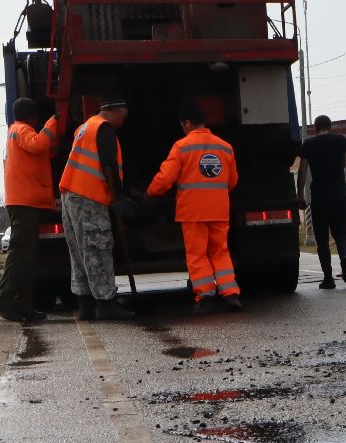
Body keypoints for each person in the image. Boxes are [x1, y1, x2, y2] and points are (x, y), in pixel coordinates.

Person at [147, 102, 241, 314]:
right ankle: (231, 294)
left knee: (197, 254)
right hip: (219, 210)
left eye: (183, 124)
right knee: (220, 251)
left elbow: (165, 179)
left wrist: (149, 194)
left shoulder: (182, 147)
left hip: (193, 212)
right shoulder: (224, 147)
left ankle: (205, 297)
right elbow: (232, 181)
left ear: (188, 123)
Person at [58, 98, 138, 321]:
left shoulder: (84, 128)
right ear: (117, 110)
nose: (123, 121)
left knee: (79, 253)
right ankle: (105, 303)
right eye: (124, 116)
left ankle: (86, 305)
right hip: (88, 197)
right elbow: (109, 164)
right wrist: (118, 197)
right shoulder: (103, 129)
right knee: (97, 248)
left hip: (70, 196)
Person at [0, 98, 63, 322]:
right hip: (24, 203)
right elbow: (37, 144)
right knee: (21, 254)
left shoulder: (17, 131)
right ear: (34, 117)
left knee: (26, 255)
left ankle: (21, 303)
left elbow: (40, 151)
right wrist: (54, 122)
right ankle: (4, 300)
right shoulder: (21, 130)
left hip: (25, 201)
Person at [295, 114, 346, 289]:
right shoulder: (340, 140)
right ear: (330, 126)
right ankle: (345, 257)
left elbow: (303, 169)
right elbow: (345, 163)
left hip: (320, 198)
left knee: (322, 240)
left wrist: (300, 195)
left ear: (314, 127)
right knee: (341, 233)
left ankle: (328, 278)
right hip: (340, 196)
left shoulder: (309, 144)